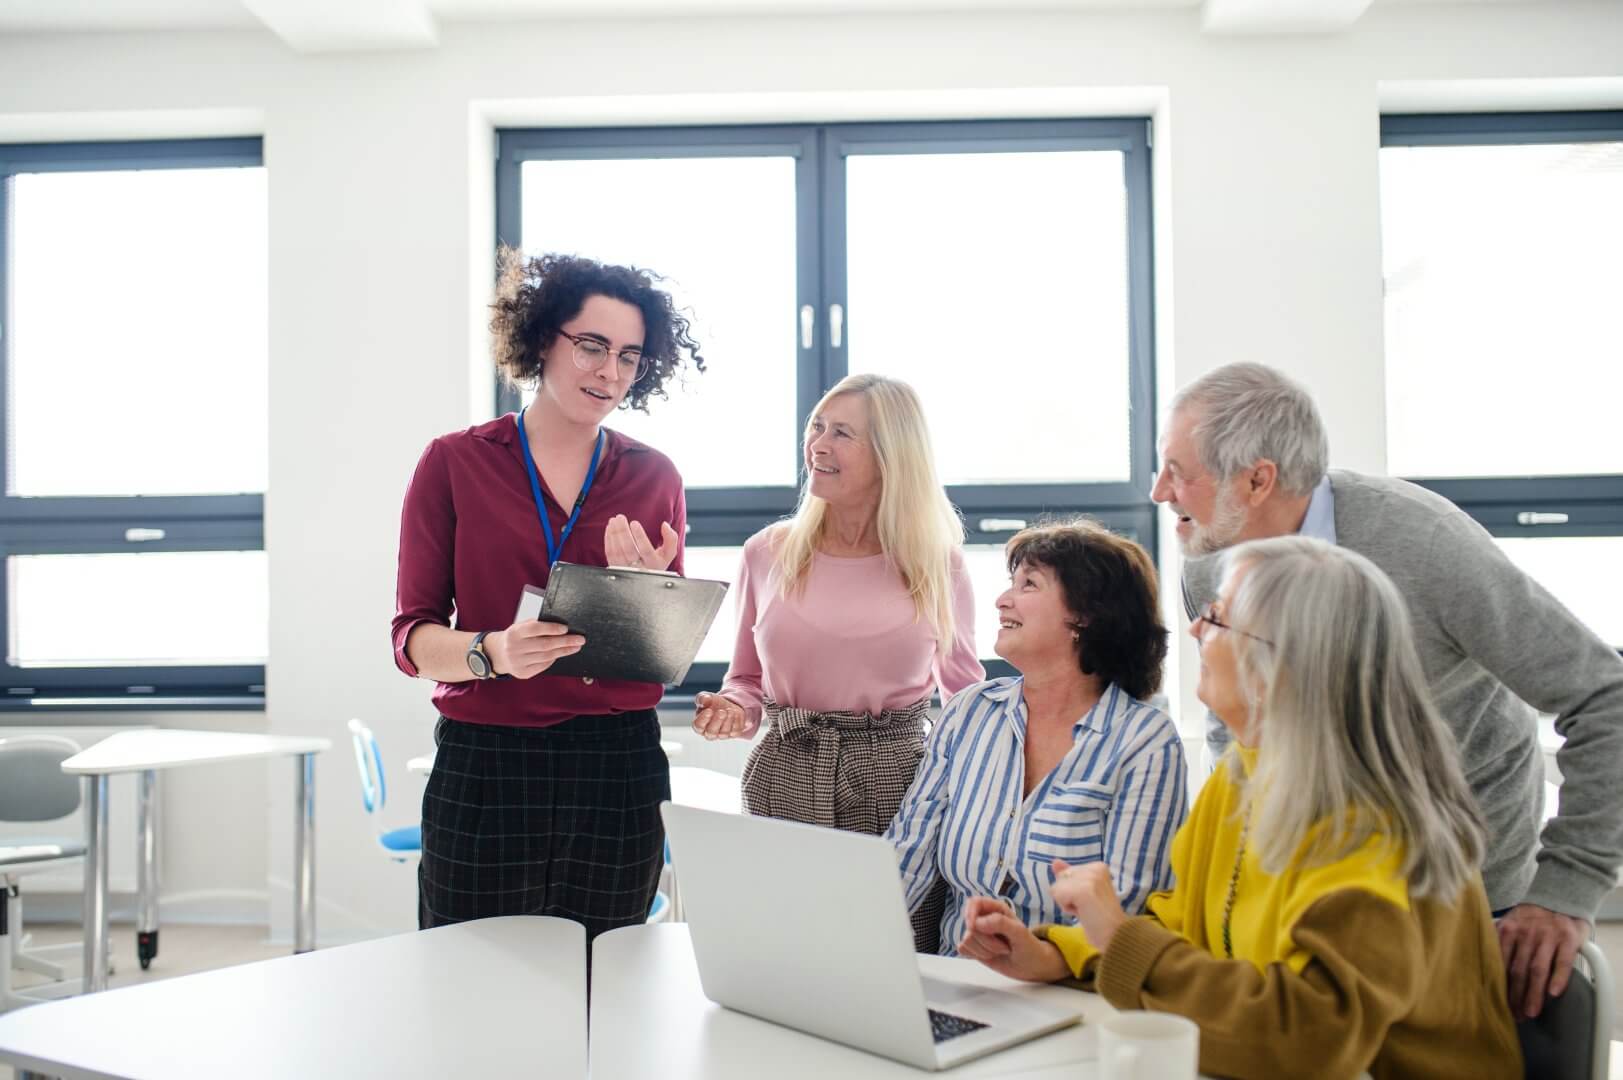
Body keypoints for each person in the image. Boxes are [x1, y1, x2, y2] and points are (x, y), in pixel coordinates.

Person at [1153, 361, 1623, 1019]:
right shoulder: (1207, 554)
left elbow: (1604, 695)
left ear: (1257, 479)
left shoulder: (1424, 545)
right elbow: (1240, 732)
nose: (1157, 492)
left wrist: (1566, 889)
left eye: (1177, 471)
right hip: (1309, 886)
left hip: (1461, 884)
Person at [961, 538, 1522, 1079]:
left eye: (1219, 619)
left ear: (1283, 660)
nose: (1195, 629)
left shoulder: (1371, 829)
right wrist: (1055, 954)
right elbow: (1183, 924)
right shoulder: (1242, 772)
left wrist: (1119, 938)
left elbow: (1307, 1040)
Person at [391, 251, 703, 938]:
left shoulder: (655, 477)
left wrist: (652, 598)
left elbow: (659, 655)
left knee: (607, 977)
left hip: (617, 763)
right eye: (591, 346)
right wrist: (493, 650)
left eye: (629, 356)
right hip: (488, 759)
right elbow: (412, 638)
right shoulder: (455, 462)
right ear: (538, 339)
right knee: (469, 976)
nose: (609, 372)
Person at [691, 374, 983, 840]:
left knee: (896, 917)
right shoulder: (765, 553)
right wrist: (732, 708)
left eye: (842, 433)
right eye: (817, 427)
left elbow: (965, 702)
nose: (818, 447)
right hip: (781, 776)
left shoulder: (938, 564)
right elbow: (746, 680)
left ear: (892, 455)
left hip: (901, 787)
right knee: (779, 916)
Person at [885, 518, 1186, 956]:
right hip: (960, 981)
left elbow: (1128, 913)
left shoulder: (1145, 743)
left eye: (1029, 585)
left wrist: (1042, 958)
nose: (1002, 600)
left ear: (1085, 613)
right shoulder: (969, 712)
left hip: (1075, 994)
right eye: (1012, 582)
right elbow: (905, 858)